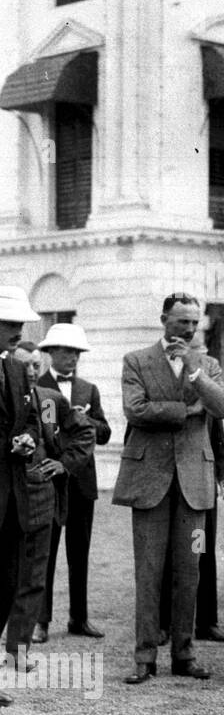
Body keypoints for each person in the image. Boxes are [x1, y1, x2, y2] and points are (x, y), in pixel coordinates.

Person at [112, 293, 224, 684]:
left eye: (195, 323)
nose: (190, 329)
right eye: (182, 322)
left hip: (194, 482)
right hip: (150, 481)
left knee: (190, 570)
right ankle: (144, 657)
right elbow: (136, 409)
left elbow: (223, 407)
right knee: (148, 571)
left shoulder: (207, 363)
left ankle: (184, 654)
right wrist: (187, 411)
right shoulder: (137, 360)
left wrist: (196, 372)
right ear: (164, 319)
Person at [2, 342, 92, 668]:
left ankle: (17, 653)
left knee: (33, 579)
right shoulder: (2, 399)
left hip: (39, 499)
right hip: (4, 500)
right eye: (22, 364)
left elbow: (78, 433)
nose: (29, 370)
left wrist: (63, 463)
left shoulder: (48, 402)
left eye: (35, 365)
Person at [35, 322, 111, 643]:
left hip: (81, 481)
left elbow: (104, 433)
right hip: (49, 480)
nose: (73, 358)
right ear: (50, 353)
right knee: (45, 553)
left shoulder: (88, 389)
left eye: (77, 352)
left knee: (79, 552)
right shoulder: (34, 386)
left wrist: (84, 418)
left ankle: (79, 618)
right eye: (66, 351)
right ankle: (41, 622)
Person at [159, 412, 224, 643]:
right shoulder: (160, 390)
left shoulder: (206, 391)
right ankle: (163, 624)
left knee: (201, 550)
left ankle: (206, 622)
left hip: (201, 491)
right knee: (165, 554)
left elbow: (218, 439)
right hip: (167, 488)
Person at [0, 287, 44, 689]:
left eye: (19, 324)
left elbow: (29, 418)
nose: (18, 331)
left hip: (13, 500)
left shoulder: (16, 370)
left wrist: (27, 438)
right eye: (9, 324)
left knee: (8, 585)